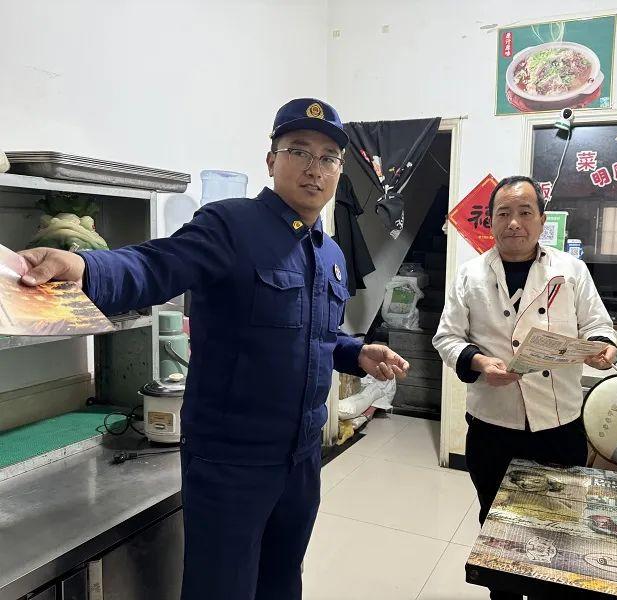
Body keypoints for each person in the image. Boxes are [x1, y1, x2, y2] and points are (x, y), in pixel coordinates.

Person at [17, 98, 410, 600]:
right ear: (271, 160)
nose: (315, 168)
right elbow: (156, 265)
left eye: (328, 157)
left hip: (302, 457)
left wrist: (356, 352)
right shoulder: (230, 226)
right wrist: (87, 268)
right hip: (231, 460)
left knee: (282, 581)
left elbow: (313, 334)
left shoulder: (329, 252)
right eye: (299, 151)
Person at [432, 176, 616, 600]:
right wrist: (479, 361)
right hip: (493, 426)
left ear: (541, 220)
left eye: (524, 212)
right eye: (503, 213)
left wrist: (603, 348)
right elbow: (446, 338)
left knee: (560, 530)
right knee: (498, 531)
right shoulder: (470, 274)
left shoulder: (570, 271)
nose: (514, 222)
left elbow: (598, 326)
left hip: (559, 426)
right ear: (490, 222)